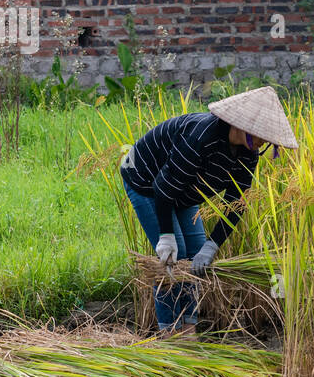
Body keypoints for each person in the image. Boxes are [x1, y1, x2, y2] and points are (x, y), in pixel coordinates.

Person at [120, 86, 298, 333]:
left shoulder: (249, 155)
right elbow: (163, 188)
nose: (262, 142)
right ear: (241, 124)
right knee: (173, 257)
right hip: (147, 181)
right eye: (259, 134)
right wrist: (166, 236)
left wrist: (212, 246)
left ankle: (188, 330)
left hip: (184, 189)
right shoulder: (201, 137)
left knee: (195, 257)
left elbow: (237, 203)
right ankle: (170, 333)